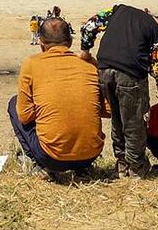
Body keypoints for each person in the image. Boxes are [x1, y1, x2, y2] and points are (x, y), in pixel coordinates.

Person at [80, 4, 158, 178]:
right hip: (130, 77)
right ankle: (136, 167)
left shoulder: (120, 10)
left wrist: (85, 51)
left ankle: (122, 163)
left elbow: (90, 25)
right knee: (134, 123)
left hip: (104, 71)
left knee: (117, 118)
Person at [9, 17, 109, 181]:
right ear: (69, 42)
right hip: (91, 154)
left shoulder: (31, 63)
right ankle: (82, 170)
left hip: (52, 157)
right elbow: (108, 111)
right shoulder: (89, 64)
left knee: (14, 103)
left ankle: (40, 165)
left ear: (41, 43)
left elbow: (25, 117)